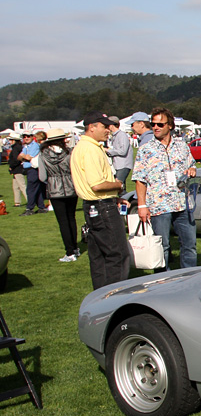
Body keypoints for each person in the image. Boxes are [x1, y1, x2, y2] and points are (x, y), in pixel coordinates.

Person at [71, 112, 131, 290]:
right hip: (102, 207)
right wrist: (117, 185)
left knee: (99, 257)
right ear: (92, 127)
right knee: (118, 254)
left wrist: (114, 195)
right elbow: (97, 185)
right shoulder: (90, 149)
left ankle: (100, 296)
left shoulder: (83, 147)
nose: (108, 130)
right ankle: (114, 298)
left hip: (94, 206)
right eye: (104, 126)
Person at [133, 108, 197, 271]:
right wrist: (142, 206)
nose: (155, 127)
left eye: (160, 124)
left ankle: (189, 277)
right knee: (162, 247)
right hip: (159, 206)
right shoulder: (145, 149)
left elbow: (191, 164)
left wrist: (192, 170)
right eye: (153, 124)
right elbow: (140, 180)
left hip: (182, 203)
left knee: (189, 245)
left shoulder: (182, 146)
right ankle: (162, 281)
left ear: (170, 125)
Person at [39, 128, 80, 262]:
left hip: (55, 190)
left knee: (63, 222)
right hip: (71, 187)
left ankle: (69, 252)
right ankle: (75, 248)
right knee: (71, 218)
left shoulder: (43, 155)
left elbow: (42, 176)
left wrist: (51, 180)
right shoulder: (69, 152)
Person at [18, 129, 45, 214]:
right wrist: (23, 156)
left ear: (32, 137)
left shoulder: (34, 146)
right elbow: (19, 157)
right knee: (37, 188)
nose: (26, 138)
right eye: (24, 136)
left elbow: (29, 157)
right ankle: (41, 207)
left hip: (33, 169)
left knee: (30, 189)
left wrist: (23, 156)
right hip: (29, 169)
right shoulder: (26, 146)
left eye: (28, 136)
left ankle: (30, 208)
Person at [106, 118, 134, 184]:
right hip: (118, 165)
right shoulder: (115, 135)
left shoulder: (122, 135)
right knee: (121, 189)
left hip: (123, 165)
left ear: (111, 125)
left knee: (119, 186)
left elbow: (123, 151)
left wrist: (109, 151)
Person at [8, 131, 26, 207]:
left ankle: (30, 200)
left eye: (10, 140)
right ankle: (17, 202)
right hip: (16, 169)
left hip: (17, 169)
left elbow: (16, 160)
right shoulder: (19, 147)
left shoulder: (15, 148)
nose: (9, 141)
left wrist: (11, 166)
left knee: (22, 186)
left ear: (14, 140)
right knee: (16, 186)